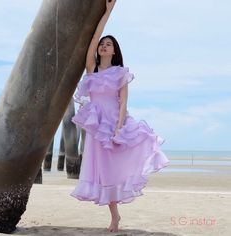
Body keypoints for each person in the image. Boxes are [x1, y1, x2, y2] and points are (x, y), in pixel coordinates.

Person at [70, 0, 169, 232]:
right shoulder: (92, 69)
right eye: (102, 44)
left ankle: (115, 216)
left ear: (115, 51)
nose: (104, 46)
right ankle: (115, 216)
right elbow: (93, 38)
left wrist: (119, 128)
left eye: (108, 44)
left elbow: (123, 102)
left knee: (116, 167)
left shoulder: (121, 73)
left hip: (115, 123)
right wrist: (108, 11)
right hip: (97, 127)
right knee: (104, 171)